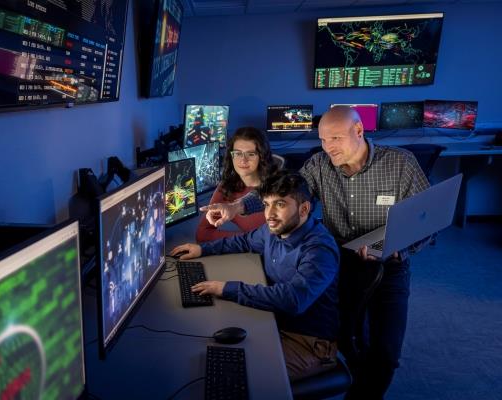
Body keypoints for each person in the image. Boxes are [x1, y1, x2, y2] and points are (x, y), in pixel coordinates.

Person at [201, 106, 430, 400]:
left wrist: (401, 245)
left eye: (335, 138)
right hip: (336, 259)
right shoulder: (320, 164)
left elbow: (427, 218)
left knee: (385, 354)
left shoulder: (401, 164)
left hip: (389, 264)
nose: (328, 147)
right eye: (323, 139)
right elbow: (283, 190)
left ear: (359, 131)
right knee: (345, 335)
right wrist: (237, 207)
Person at [172, 171, 340, 381]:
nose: (269, 214)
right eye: (266, 204)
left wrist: (226, 289)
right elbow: (244, 241)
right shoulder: (273, 229)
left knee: (235, 377)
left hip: (308, 341)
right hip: (277, 321)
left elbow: (292, 299)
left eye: (279, 204)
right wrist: (202, 250)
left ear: (304, 209)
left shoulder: (318, 249)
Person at [196, 126, 276, 242]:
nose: (243, 160)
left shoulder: (276, 187)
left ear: (262, 156)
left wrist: (249, 239)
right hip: (252, 254)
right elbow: (202, 233)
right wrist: (247, 239)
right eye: (238, 154)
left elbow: (277, 239)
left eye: (251, 154)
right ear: (231, 156)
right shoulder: (228, 186)